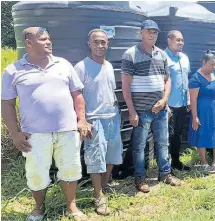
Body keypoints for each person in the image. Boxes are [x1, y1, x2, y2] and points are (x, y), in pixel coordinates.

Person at [1, 27, 91, 221]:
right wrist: (15, 134)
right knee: (36, 173)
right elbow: (7, 104)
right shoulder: (13, 70)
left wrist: (81, 119)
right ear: (29, 43)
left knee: (70, 169)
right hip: (34, 134)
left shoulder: (64, 65)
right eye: (43, 39)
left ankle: (72, 207)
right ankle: (38, 209)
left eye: (49, 38)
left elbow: (77, 95)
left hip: (67, 130)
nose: (48, 42)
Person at [121, 19, 182, 193]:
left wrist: (164, 101)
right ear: (141, 33)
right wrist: (131, 111)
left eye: (155, 32)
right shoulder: (130, 54)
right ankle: (139, 177)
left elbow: (167, 79)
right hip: (141, 110)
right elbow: (125, 86)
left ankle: (165, 173)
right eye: (148, 31)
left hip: (160, 109)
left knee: (163, 143)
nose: (152, 34)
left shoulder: (161, 54)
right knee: (139, 146)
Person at [74, 29, 123, 215]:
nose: (100, 45)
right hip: (94, 119)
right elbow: (76, 95)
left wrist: (117, 112)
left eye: (103, 42)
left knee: (112, 154)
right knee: (95, 158)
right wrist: (82, 119)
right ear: (89, 43)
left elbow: (110, 92)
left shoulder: (109, 66)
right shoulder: (81, 67)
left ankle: (103, 186)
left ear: (107, 44)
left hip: (112, 116)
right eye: (96, 42)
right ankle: (98, 196)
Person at [188, 51, 215, 173]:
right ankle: (204, 162)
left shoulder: (213, 73)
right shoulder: (195, 78)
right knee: (202, 133)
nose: (214, 67)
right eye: (211, 64)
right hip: (203, 111)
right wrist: (195, 117)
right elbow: (193, 98)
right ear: (203, 63)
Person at [165, 30, 191, 171]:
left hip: (182, 103)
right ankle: (164, 165)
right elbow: (160, 82)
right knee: (166, 135)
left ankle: (176, 161)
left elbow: (186, 80)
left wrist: (188, 99)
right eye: (178, 40)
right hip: (168, 104)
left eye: (182, 40)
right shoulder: (162, 57)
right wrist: (164, 103)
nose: (181, 43)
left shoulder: (184, 58)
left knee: (178, 133)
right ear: (169, 41)